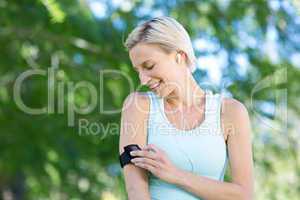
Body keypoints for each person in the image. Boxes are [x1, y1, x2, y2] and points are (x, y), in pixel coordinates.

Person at [119, 16, 254, 200]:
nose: (143, 80)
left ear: (179, 56)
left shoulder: (231, 113)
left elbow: (244, 195)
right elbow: (136, 191)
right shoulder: (138, 106)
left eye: (149, 66)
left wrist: (175, 175)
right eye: (138, 70)